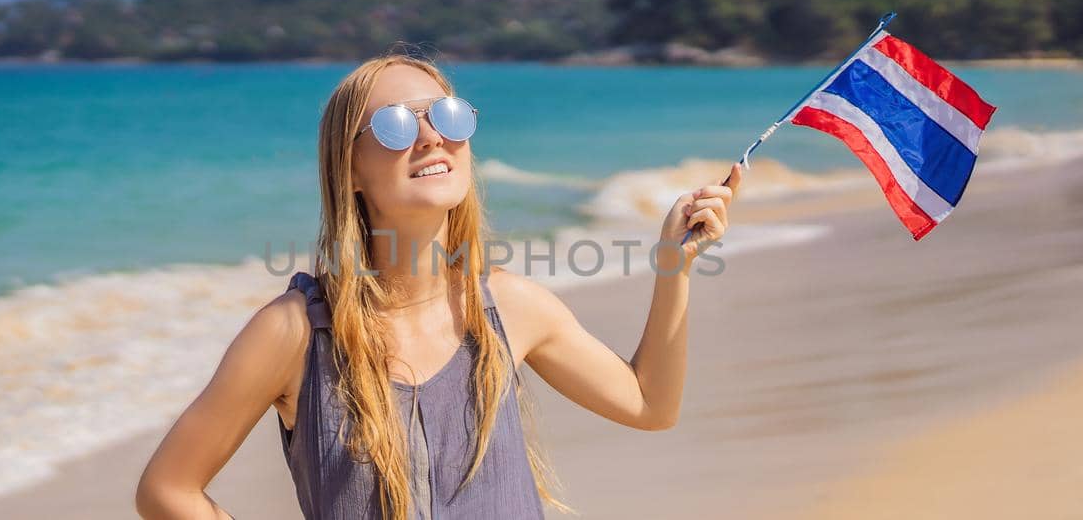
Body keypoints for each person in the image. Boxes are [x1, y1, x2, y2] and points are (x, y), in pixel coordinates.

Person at [135, 52, 741, 520]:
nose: (431, 137)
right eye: (396, 125)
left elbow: (649, 405)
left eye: (447, 115)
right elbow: (167, 488)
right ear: (348, 168)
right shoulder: (295, 332)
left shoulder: (509, 307)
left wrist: (674, 266)